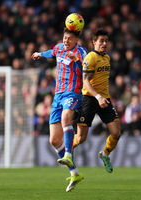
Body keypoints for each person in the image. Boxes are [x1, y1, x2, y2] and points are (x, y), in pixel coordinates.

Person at [32, 28, 87, 192]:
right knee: (54, 140)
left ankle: (68, 155)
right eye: (64, 37)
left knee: (66, 118)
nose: (66, 41)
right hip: (57, 96)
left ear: (76, 40)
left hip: (73, 93)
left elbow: (87, 67)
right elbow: (52, 52)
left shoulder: (81, 51)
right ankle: (75, 173)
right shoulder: (59, 48)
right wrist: (40, 54)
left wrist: (76, 59)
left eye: (69, 38)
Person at [73, 29, 121, 173]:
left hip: (104, 99)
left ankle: (105, 154)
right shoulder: (91, 57)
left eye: (106, 41)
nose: (104, 43)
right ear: (94, 42)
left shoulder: (107, 58)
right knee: (81, 138)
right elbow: (86, 82)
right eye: (101, 41)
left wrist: (103, 97)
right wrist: (98, 97)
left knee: (116, 133)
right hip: (89, 99)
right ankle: (65, 150)